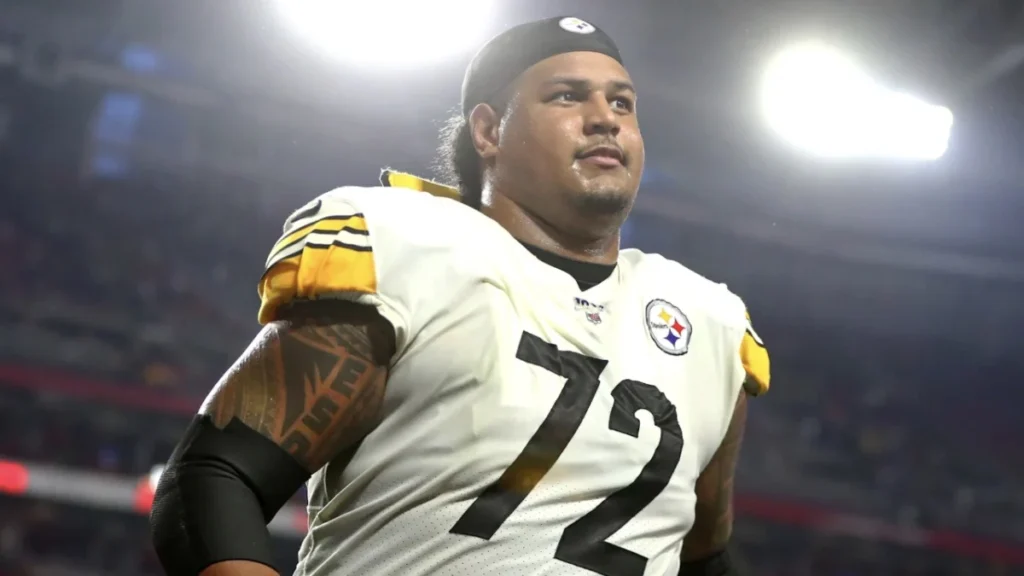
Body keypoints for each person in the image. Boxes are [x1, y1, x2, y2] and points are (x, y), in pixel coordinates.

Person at [150, 15, 770, 576]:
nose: (605, 117)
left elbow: (703, 557)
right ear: (489, 131)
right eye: (567, 96)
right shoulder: (408, 245)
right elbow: (215, 475)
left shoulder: (709, 323)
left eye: (622, 102)